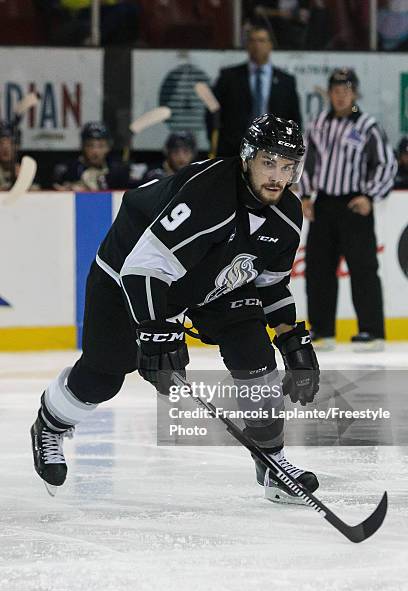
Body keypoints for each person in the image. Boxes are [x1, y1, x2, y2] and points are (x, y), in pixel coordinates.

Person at [30, 114, 320, 503]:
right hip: (125, 272)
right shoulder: (208, 194)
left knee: (254, 352)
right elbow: (143, 267)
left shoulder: (286, 215)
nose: (277, 177)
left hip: (207, 283)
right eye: (269, 162)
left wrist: (291, 341)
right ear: (248, 157)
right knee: (105, 376)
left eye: (287, 166)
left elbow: (270, 283)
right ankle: (50, 424)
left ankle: (272, 462)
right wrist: (155, 332)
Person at [299, 68, 397, 351]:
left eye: (346, 91)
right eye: (336, 91)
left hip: (355, 205)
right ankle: (322, 330)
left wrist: (370, 195)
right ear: (329, 93)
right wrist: (305, 196)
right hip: (324, 203)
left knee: (364, 268)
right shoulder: (317, 125)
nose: (340, 96)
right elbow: (305, 162)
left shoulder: (367, 126)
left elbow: (386, 164)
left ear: (354, 93)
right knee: (318, 269)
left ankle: (371, 330)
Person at [209, 22, 302, 157]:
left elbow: (294, 119)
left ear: (270, 45)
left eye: (262, 40)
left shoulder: (286, 81)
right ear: (247, 45)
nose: (257, 45)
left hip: (273, 152)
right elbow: (212, 112)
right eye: (252, 40)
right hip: (233, 151)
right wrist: (219, 144)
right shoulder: (229, 77)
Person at [53, 121, 130, 191]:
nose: (95, 151)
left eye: (101, 146)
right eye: (90, 145)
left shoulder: (117, 170)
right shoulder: (69, 169)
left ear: (108, 147)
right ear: (83, 146)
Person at [0, 120, 39, 191]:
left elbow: (37, 191)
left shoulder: (25, 170)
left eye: (10, 143)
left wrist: (22, 182)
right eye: (1, 143)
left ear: (17, 146)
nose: (5, 148)